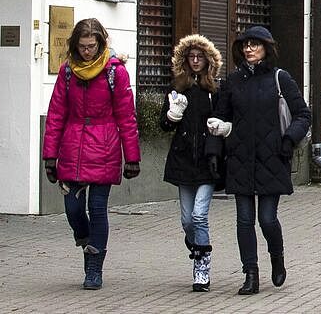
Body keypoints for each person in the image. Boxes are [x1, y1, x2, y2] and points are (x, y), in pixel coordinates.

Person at [208, 26, 311, 295]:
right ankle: (250, 273)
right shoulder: (232, 81)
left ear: (266, 47)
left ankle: (277, 257)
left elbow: (302, 114)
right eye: (245, 45)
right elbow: (219, 119)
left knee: (267, 218)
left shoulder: (280, 78)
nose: (248, 49)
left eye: (254, 44)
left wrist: (289, 139)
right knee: (244, 219)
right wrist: (214, 152)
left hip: (272, 158)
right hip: (240, 158)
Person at [42, 18, 140, 290]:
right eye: (83, 46)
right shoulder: (68, 72)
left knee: (97, 209)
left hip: (104, 145)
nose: (87, 51)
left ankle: (94, 268)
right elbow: (56, 113)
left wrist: (132, 157)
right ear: (75, 45)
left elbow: (126, 116)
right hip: (73, 145)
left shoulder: (115, 72)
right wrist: (50, 155)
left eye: (92, 46)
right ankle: (87, 242)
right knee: (73, 209)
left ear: (100, 44)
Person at [162, 34, 223, 292]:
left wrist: (221, 132)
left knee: (199, 216)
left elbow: (223, 121)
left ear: (208, 61)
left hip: (207, 162)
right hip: (183, 160)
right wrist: (172, 115)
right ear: (185, 61)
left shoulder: (215, 91)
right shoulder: (178, 88)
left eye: (200, 57)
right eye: (191, 57)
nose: (196, 61)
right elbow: (163, 126)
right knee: (187, 220)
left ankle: (202, 267)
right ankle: (195, 243)